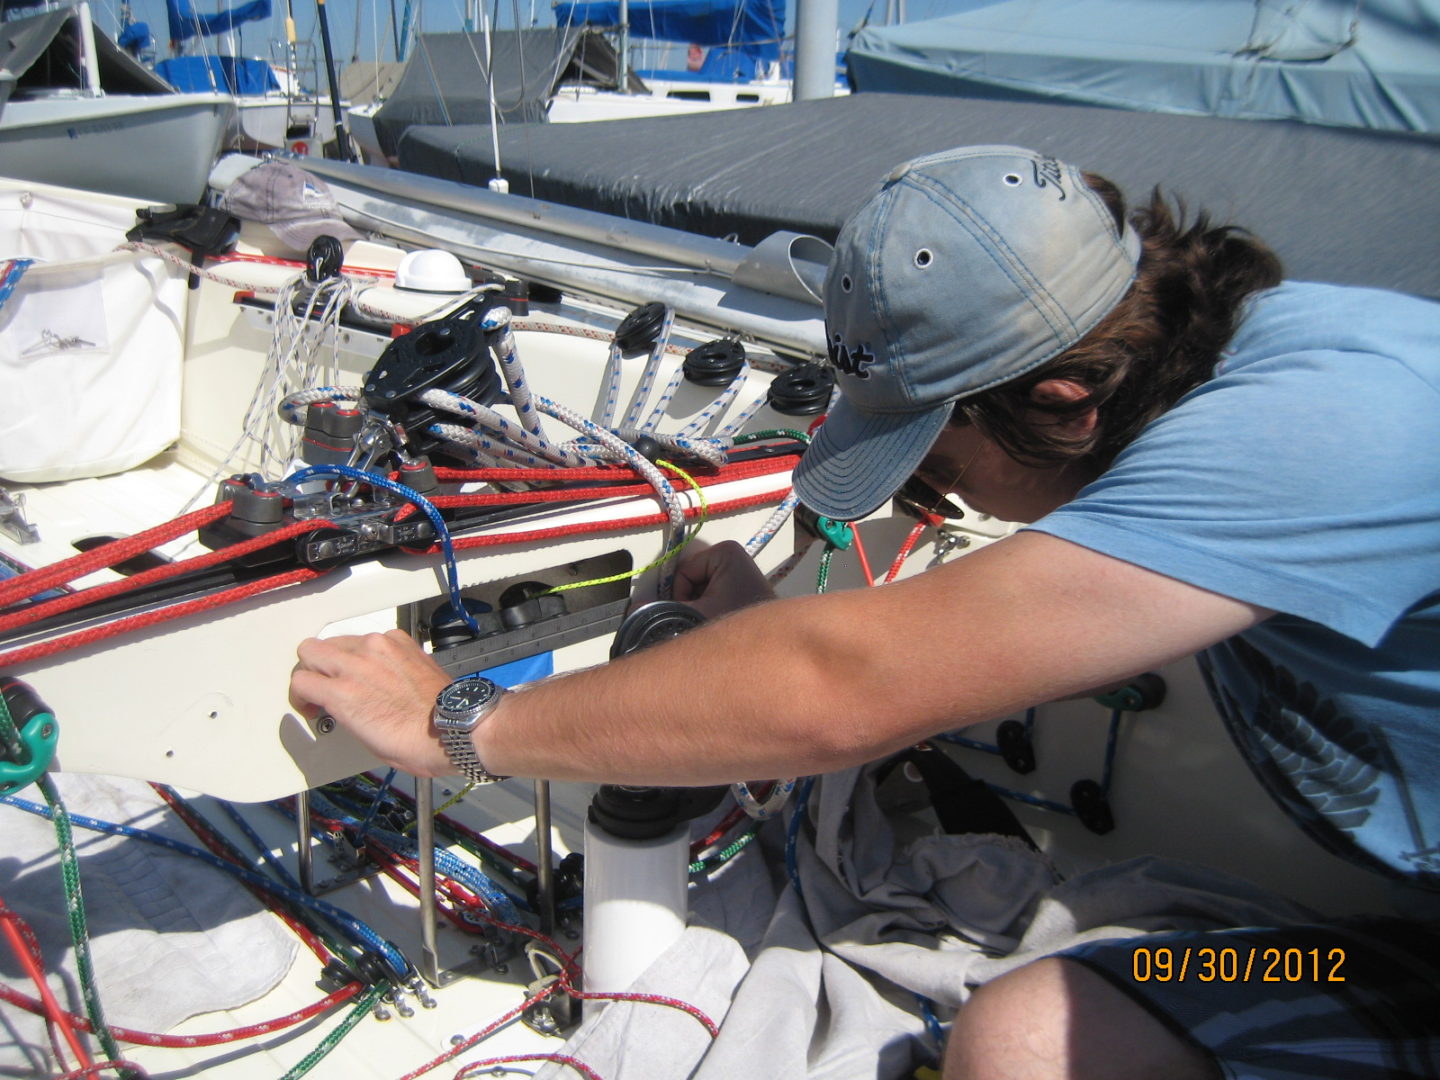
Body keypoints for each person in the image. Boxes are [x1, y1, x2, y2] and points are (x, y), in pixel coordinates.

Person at [290, 145, 1440, 1079]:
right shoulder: (1254, 365)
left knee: (1020, 1049)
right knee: (1046, 1026)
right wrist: (746, 657)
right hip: (1394, 943)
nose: (920, 494)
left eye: (933, 452)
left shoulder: (1328, 429)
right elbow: (949, 646)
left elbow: (845, 684)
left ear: (1066, 402)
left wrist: (457, 722)